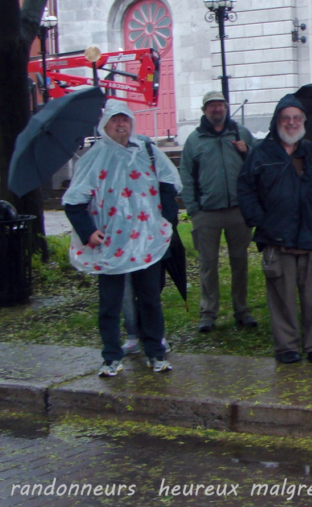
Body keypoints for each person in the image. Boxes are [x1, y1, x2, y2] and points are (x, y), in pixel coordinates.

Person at [63, 99, 181, 376]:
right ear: (105, 125)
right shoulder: (94, 157)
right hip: (111, 244)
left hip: (145, 241)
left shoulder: (147, 150)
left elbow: (169, 182)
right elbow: (74, 201)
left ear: (132, 122)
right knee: (110, 303)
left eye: (125, 119)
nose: (121, 125)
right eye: (115, 120)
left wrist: (165, 220)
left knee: (150, 298)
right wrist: (88, 231)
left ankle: (155, 352)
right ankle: (111, 356)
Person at [237, 94, 312, 366]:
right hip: (277, 239)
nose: (292, 123)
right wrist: (260, 219)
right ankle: (287, 348)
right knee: (282, 299)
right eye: (287, 118)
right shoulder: (261, 153)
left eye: (297, 118)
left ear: (303, 122)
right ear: (277, 121)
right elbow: (245, 188)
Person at [180, 90, 257, 333]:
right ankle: (208, 313)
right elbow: (186, 176)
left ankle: (242, 310)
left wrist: (247, 151)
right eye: (211, 105)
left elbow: (258, 166)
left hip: (238, 211)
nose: (217, 109)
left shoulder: (240, 133)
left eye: (220, 104)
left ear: (226, 107)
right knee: (207, 264)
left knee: (240, 262)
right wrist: (194, 210)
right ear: (204, 111)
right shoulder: (194, 140)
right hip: (207, 213)